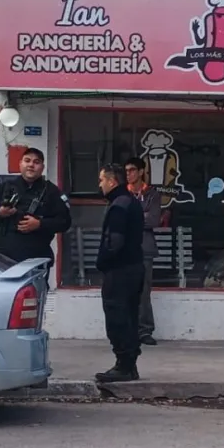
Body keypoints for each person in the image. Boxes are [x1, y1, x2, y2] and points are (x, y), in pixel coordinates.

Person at [95, 163, 146, 383]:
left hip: (120, 270)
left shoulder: (119, 206)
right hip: (134, 268)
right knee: (130, 316)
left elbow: (114, 242)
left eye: (101, 180)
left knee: (117, 317)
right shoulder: (130, 202)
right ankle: (129, 364)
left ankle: (124, 365)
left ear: (111, 181)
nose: (100, 184)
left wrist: (102, 262)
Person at [0, 147, 72, 272]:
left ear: (42, 167)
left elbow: (65, 222)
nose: (31, 165)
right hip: (5, 259)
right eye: (27, 160)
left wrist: (39, 224)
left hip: (36, 260)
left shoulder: (52, 192)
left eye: (36, 162)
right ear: (20, 164)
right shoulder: (6, 187)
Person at [125, 156, 161, 346]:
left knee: (144, 291)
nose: (129, 174)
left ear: (140, 172)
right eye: (127, 171)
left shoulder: (152, 194)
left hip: (145, 248)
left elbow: (154, 219)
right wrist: (141, 215)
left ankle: (145, 330)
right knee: (125, 290)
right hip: (125, 249)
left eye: (132, 170)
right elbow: (118, 219)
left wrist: (132, 217)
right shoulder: (123, 193)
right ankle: (128, 329)